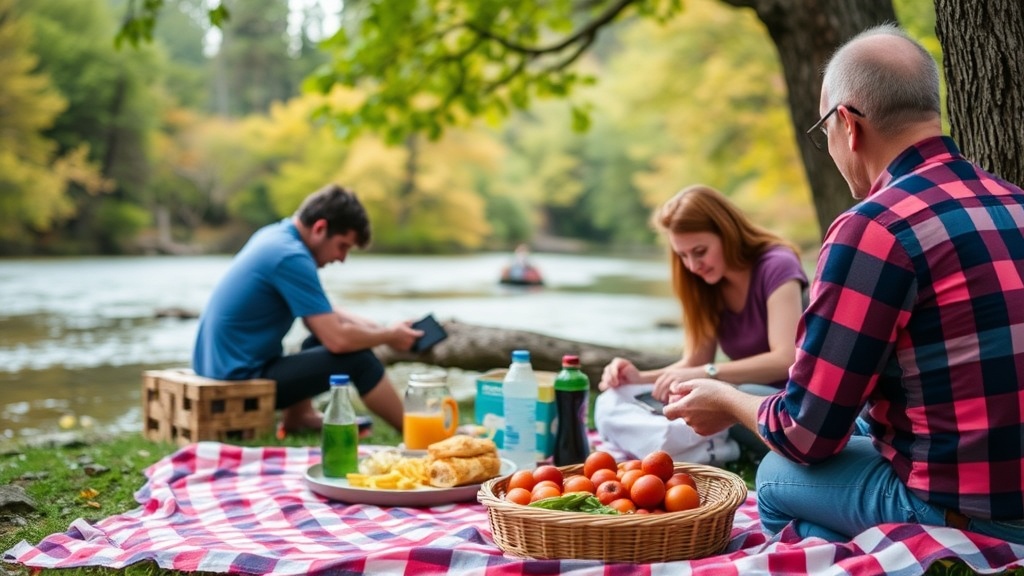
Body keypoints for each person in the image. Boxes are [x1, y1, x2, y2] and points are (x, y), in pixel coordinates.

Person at [664, 24, 1024, 543]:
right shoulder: (1012, 200)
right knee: (851, 435)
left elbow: (805, 435)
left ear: (848, 125)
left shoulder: (874, 229)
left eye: (823, 132)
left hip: (973, 512)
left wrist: (725, 399)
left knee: (774, 475)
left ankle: (896, 552)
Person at [595, 184, 807, 463]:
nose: (693, 266)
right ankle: (702, 446)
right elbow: (695, 361)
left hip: (784, 405)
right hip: (732, 399)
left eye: (700, 251)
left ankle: (703, 446)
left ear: (726, 233)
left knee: (733, 396)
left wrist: (709, 375)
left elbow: (785, 359)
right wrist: (637, 378)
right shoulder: (706, 283)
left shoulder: (776, 265)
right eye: (683, 256)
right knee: (613, 398)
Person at [193, 184, 422, 434]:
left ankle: (300, 418)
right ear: (320, 228)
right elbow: (337, 340)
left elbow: (323, 311)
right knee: (359, 360)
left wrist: (380, 329)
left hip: (218, 368)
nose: (342, 258)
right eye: (343, 246)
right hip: (240, 380)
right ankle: (418, 433)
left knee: (315, 340)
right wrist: (390, 336)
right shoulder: (291, 257)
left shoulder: (275, 237)